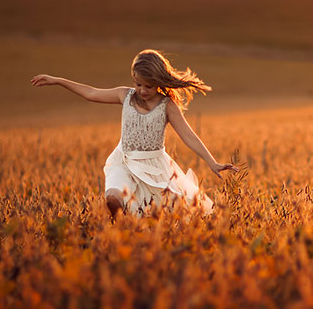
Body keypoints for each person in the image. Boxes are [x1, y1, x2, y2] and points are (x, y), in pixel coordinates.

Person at [30, 49, 238, 218]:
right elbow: (91, 93)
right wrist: (57, 80)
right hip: (124, 161)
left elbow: (188, 135)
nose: (143, 90)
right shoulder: (125, 95)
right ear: (133, 79)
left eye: (149, 86)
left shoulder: (167, 106)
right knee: (112, 199)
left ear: (160, 82)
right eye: (138, 84)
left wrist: (212, 163)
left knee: (167, 215)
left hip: (154, 168)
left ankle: (132, 236)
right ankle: (117, 227)